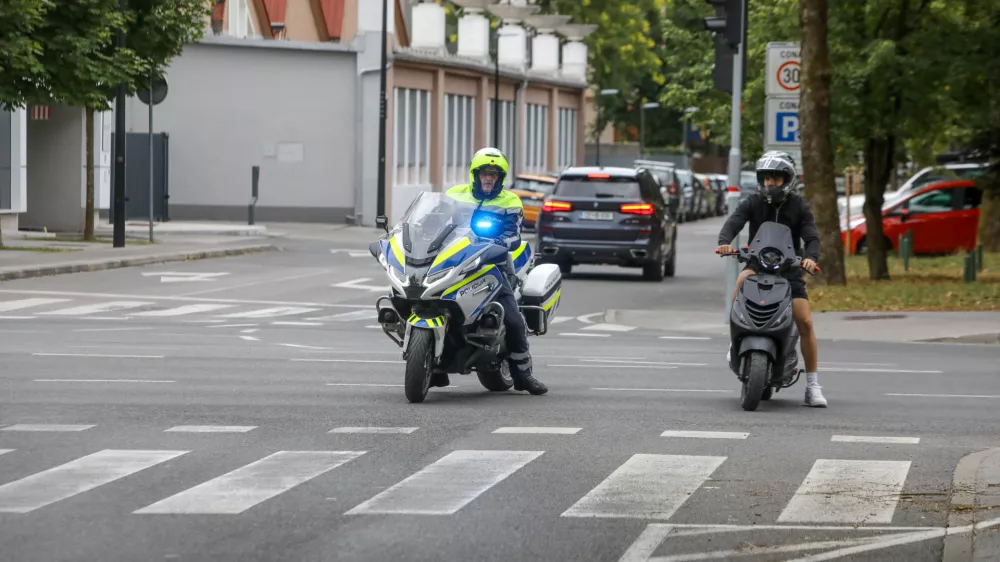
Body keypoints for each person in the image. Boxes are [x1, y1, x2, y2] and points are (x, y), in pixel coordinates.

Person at [716, 151, 827, 407]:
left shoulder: (799, 206)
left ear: (787, 180)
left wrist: (811, 258)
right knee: (741, 281)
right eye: (766, 178)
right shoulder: (753, 202)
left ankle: (812, 385)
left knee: (805, 322)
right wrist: (724, 242)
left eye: (776, 178)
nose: (770, 183)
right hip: (758, 265)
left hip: (788, 270)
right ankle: (735, 343)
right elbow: (734, 222)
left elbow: (811, 237)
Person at [437, 147, 548, 395]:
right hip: (454, 263)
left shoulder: (510, 202)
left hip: (492, 267)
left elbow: (514, 237)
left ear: (501, 178)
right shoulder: (454, 195)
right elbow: (433, 223)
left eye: (494, 175)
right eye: (485, 173)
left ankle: (523, 375)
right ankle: (436, 365)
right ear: (475, 175)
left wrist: (498, 243)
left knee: (514, 320)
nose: (489, 178)